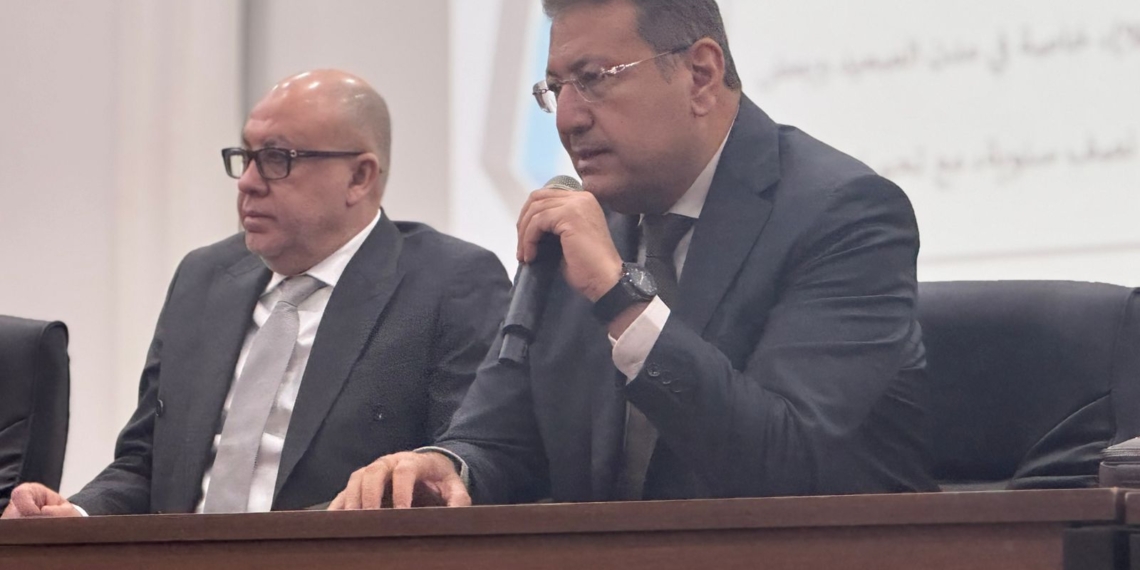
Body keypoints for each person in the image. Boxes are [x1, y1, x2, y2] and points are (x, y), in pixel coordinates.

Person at [329, 0, 936, 510]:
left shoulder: (845, 214)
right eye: (555, 89)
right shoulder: (579, 225)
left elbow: (784, 462)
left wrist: (620, 298)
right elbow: (502, 436)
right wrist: (447, 465)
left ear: (700, 75)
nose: (568, 118)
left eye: (594, 78)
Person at [2, 69, 510, 517]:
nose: (247, 182)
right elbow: (146, 463)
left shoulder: (448, 284)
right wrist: (78, 513)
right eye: (245, 156)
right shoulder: (204, 279)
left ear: (359, 177)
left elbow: (470, 462)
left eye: (276, 159)